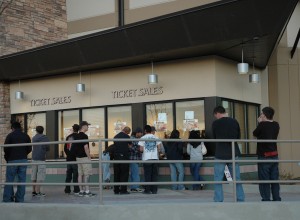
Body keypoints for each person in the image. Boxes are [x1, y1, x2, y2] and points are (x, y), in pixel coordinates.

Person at [212, 106, 245, 202]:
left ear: (217, 113)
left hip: (220, 153)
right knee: (237, 178)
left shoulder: (215, 123)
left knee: (218, 179)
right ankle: (240, 198)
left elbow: (214, 138)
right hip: (233, 153)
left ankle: (218, 199)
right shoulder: (234, 121)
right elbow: (238, 137)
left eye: (215, 116)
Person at [253, 106, 281, 201]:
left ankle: (266, 198)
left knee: (264, 179)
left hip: (264, 155)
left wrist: (260, 123)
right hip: (274, 154)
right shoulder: (276, 124)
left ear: (264, 115)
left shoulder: (262, 125)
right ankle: (276, 197)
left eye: (261, 113)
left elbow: (255, 133)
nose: (260, 115)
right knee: (274, 178)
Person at [3, 122, 32, 203]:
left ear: (13, 128)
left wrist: (8, 158)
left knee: (9, 180)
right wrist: (23, 154)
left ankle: (7, 199)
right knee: (22, 180)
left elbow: (6, 149)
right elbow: (29, 148)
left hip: (12, 160)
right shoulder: (26, 135)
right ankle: (19, 199)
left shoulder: (10, 136)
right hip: (23, 160)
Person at [72, 121, 95, 197]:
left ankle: (81, 191)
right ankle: (87, 191)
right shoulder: (84, 136)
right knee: (86, 174)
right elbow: (86, 147)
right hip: (84, 157)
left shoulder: (76, 136)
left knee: (80, 174)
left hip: (78, 158)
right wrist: (89, 157)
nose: (88, 127)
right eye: (87, 126)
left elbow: (73, 148)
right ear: (84, 126)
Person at [138, 125, 162, 194]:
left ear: (145, 131)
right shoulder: (156, 137)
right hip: (155, 158)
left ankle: (147, 190)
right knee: (154, 175)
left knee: (147, 175)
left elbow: (141, 149)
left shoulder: (142, 138)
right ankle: (154, 190)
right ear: (151, 131)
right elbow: (159, 148)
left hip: (147, 159)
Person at [31, 126, 50, 197]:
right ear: (43, 130)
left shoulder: (33, 138)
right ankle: (38, 191)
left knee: (33, 175)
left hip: (34, 158)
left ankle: (33, 191)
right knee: (40, 175)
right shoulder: (45, 138)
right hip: (41, 158)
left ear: (36, 131)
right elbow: (48, 148)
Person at [113, 126, 132, 195]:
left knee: (117, 174)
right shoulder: (127, 137)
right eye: (129, 133)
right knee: (124, 173)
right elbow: (130, 146)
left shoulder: (115, 136)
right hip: (124, 157)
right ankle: (123, 190)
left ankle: (116, 190)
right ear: (127, 132)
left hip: (116, 157)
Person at [64, 124, 80, 194]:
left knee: (68, 175)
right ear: (78, 129)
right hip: (75, 159)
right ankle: (76, 190)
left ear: (73, 129)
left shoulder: (68, 137)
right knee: (75, 175)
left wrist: (68, 155)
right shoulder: (79, 137)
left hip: (69, 159)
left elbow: (65, 148)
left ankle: (67, 190)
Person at [129, 127, 143, 192]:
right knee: (135, 173)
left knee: (133, 173)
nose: (141, 134)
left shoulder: (133, 138)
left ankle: (133, 187)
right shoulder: (133, 139)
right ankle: (135, 187)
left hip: (133, 158)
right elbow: (132, 148)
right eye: (141, 133)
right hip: (134, 158)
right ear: (137, 133)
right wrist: (139, 150)